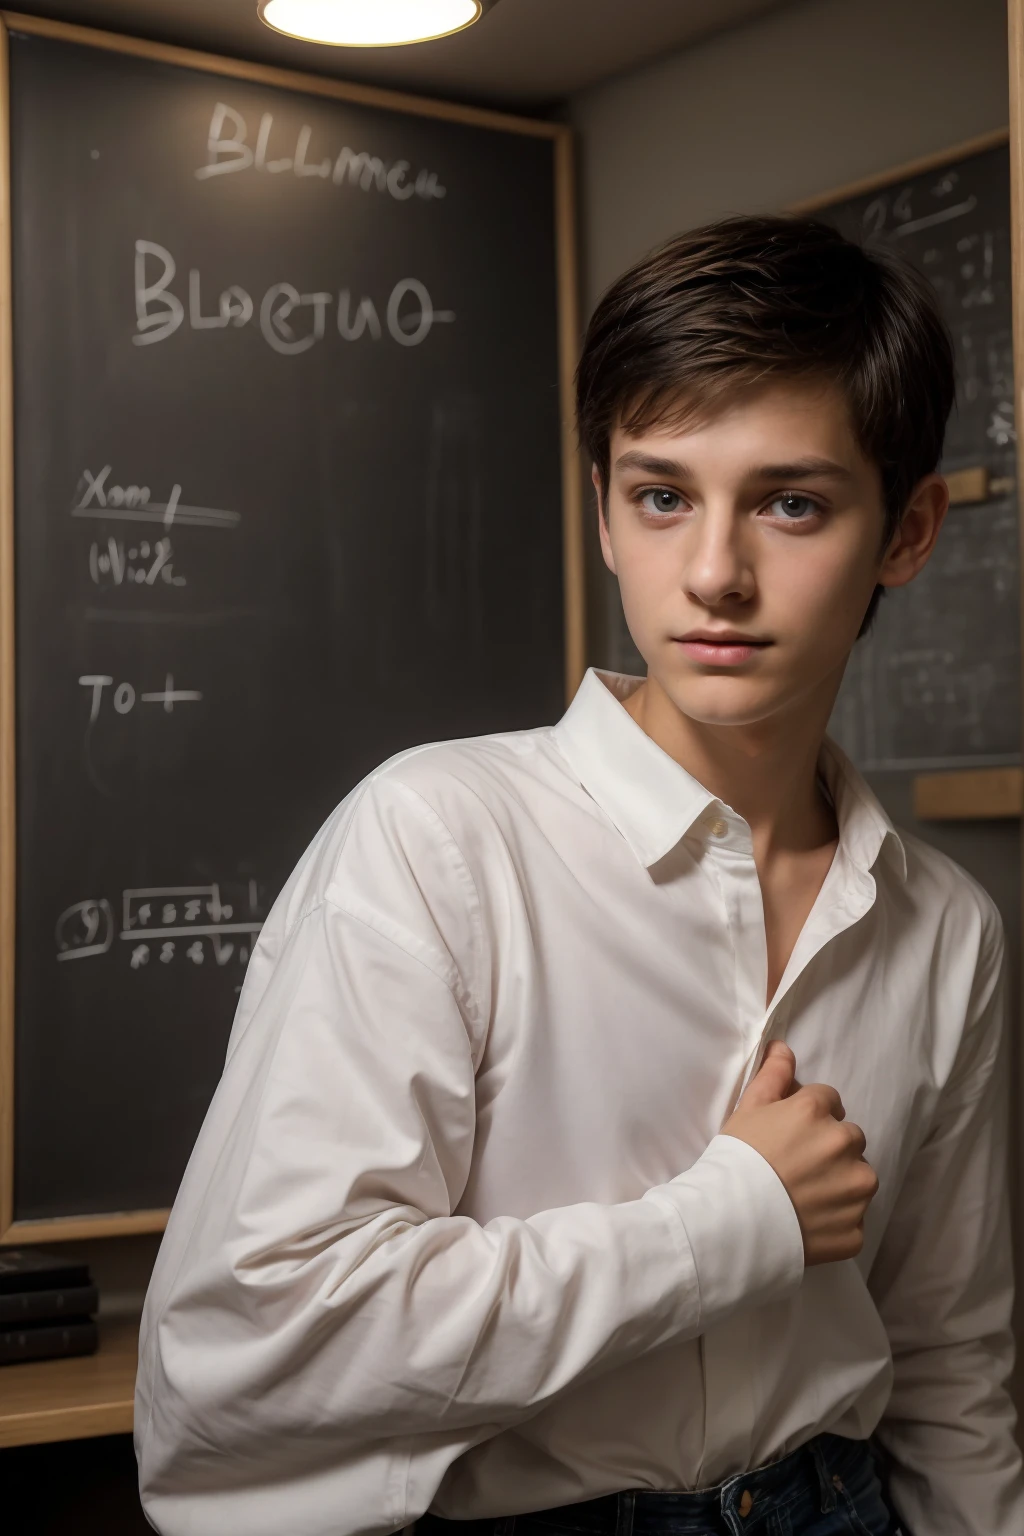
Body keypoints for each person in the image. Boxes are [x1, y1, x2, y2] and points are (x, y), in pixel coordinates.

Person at [135, 216, 1024, 1536]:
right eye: (662, 496)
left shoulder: (947, 927)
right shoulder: (435, 842)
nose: (714, 574)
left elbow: (952, 1366)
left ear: (907, 531)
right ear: (605, 512)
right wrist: (731, 1221)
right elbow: (248, 1355)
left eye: (791, 503)